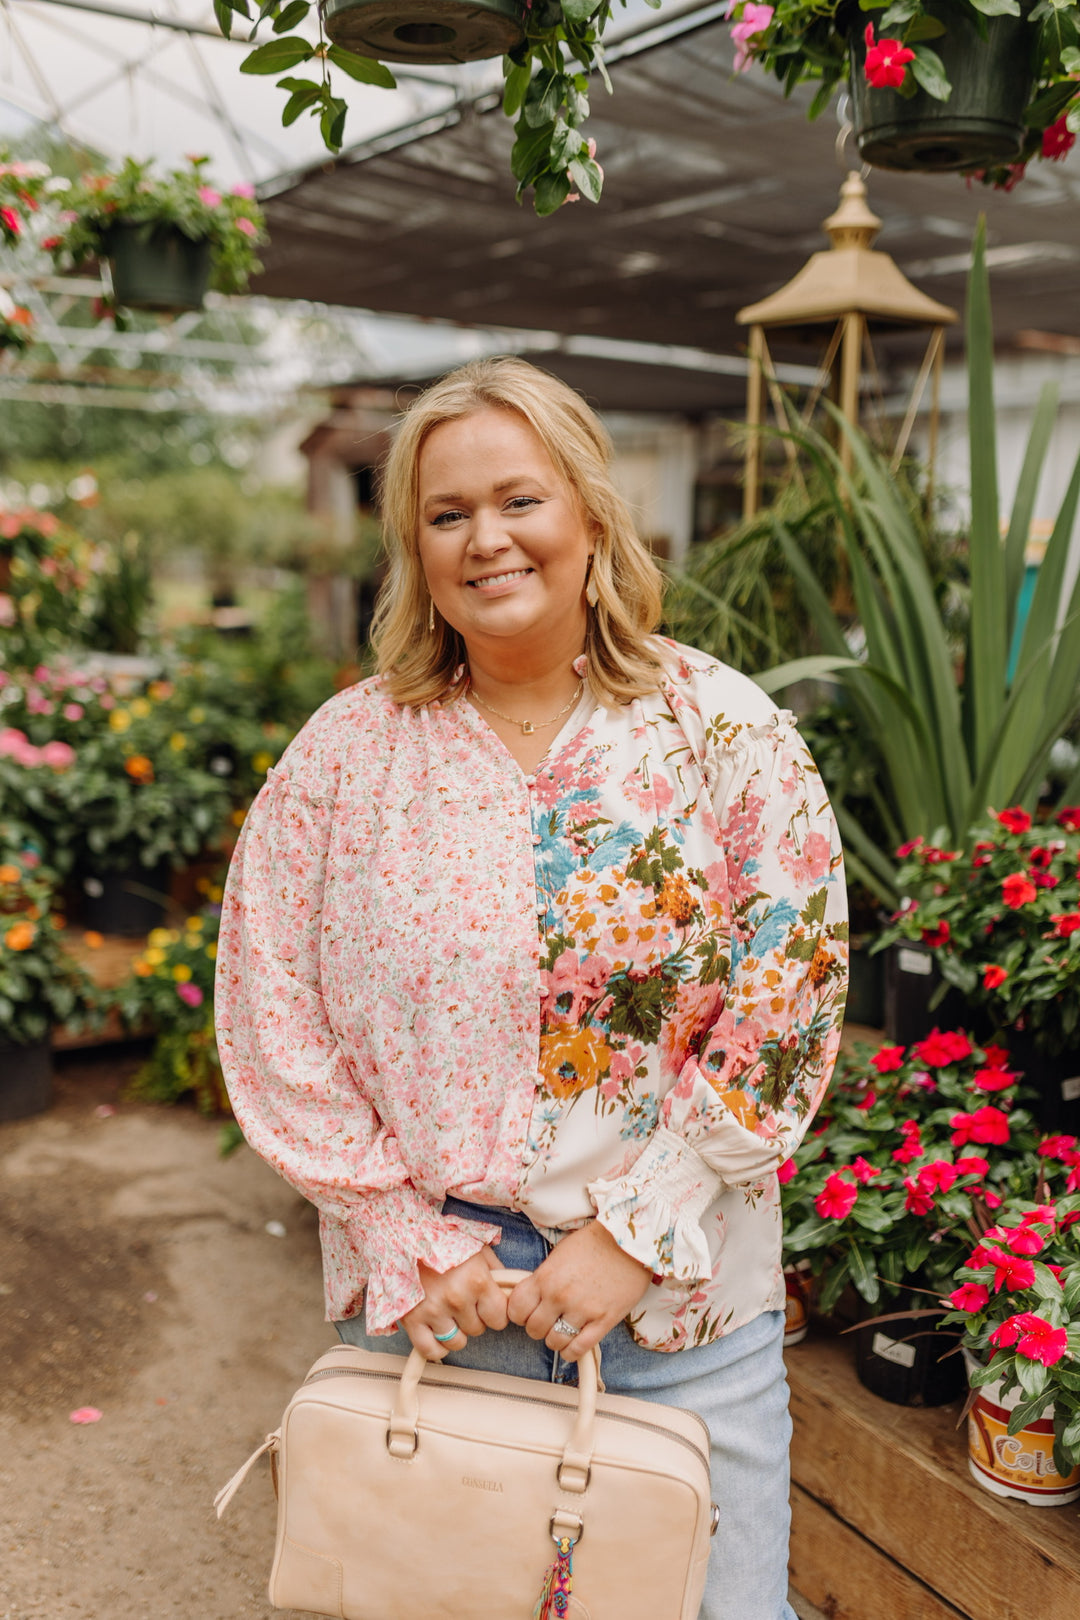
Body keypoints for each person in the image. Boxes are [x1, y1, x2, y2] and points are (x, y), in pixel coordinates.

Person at [215, 356, 848, 1620]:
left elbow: (792, 984)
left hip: (677, 1315)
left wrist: (636, 1231)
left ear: (592, 515)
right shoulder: (345, 755)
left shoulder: (719, 730)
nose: (486, 540)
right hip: (433, 1316)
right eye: (447, 515)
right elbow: (270, 1004)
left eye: (520, 500)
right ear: (414, 548)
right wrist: (408, 1244)